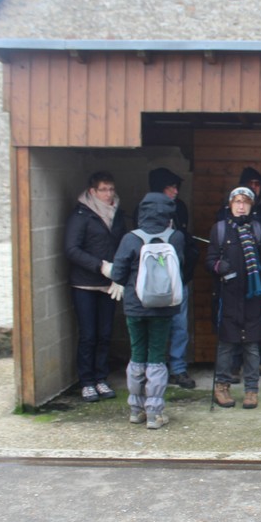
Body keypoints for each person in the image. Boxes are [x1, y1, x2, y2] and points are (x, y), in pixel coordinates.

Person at [111, 192, 186, 429]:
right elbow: (181, 268)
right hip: (164, 308)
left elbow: (118, 275)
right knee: (156, 356)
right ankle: (154, 413)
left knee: (137, 354)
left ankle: (136, 410)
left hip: (135, 307)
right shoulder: (175, 237)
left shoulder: (130, 238)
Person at [206, 187, 261, 410]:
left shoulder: (258, 230)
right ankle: (221, 388)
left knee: (252, 346)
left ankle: (251, 390)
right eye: (237, 202)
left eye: (245, 202)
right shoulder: (219, 229)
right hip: (228, 296)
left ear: (251, 206)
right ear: (230, 205)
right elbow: (209, 260)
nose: (241, 206)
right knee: (226, 345)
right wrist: (219, 266)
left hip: (253, 297)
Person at [218, 167, 261, 380]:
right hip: (234, 278)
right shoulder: (224, 215)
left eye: (258, 184)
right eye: (250, 184)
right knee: (235, 323)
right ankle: (235, 366)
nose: (254, 187)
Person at [64, 171, 126, 402]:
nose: (108, 194)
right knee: (89, 335)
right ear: (93, 191)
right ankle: (87, 381)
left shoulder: (117, 214)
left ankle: (101, 378)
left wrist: (119, 273)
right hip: (85, 284)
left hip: (110, 284)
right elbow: (71, 249)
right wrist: (99, 266)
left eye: (111, 189)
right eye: (103, 189)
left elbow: (122, 244)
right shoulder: (81, 215)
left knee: (105, 334)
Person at [146, 167, 199, 389]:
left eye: (177, 187)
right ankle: (154, 368)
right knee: (155, 326)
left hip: (178, 277)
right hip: (152, 281)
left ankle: (178, 368)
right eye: (171, 187)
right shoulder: (145, 210)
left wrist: (188, 265)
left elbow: (185, 240)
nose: (175, 192)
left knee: (180, 325)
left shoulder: (180, 208)